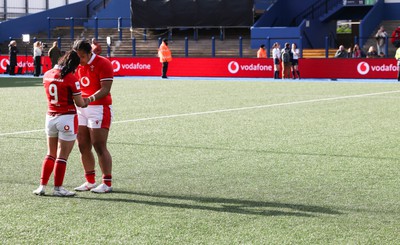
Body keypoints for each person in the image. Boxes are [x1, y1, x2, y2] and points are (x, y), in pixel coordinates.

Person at [33, 50, 88, 197]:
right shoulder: (71, 78)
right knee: (62, 156)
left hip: (50, 117)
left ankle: (42, 186)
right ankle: (58, 188)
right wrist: (87, 101)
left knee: (50, 153)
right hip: (67, 118)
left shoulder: (48, 74)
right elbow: (80, 102)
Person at [73, 39, 114, 193]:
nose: (79, 60)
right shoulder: (75, 64)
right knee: (82, 145)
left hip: (99, 108)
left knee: (99, 145)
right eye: (77, 57)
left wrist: (89, 99)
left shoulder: (103, 63)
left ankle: (107, 183)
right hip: (81, 108)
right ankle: (89, 181)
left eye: (82, 57)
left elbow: (105, 89)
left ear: (90, 53)